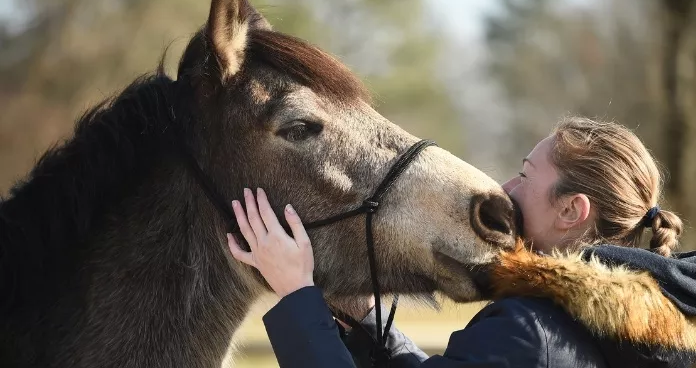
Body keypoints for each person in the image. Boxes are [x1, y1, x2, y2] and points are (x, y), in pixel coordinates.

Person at [227, 117, 696, 368]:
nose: (506, 189)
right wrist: (371, 319)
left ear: (571, 211)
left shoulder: (534, 333)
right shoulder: (642, 328)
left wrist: (297, 294)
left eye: (526, 175)